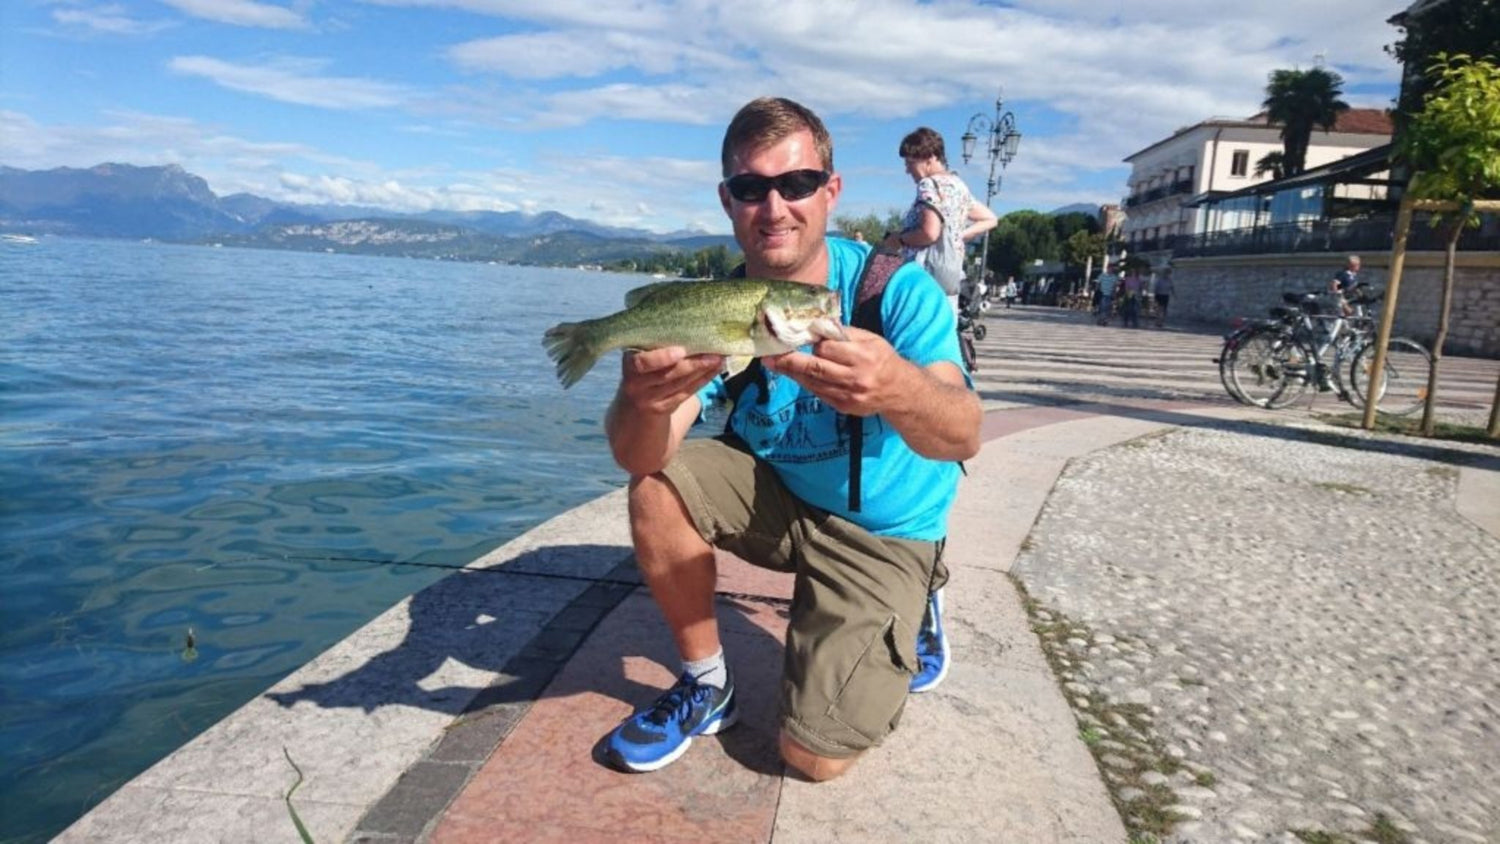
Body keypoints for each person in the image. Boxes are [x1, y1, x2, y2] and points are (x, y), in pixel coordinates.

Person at [601, 97, 982, 781]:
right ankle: (706, 684)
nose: (774, 207)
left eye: (797, 183)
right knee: (658, 481)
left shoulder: (889, 291)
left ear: (830, 191)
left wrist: (895, 386)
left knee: (812, 757)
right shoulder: (723, 305)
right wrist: (640, 401)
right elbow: (639, 456)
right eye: (751, 188)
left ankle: (918, 588)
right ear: (728, 202)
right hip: (784, 501)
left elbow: (963, 432)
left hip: (884, 530)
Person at [881, 127, 998, 319]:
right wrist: (958, 236)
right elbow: (990, 218)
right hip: (949, 278)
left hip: (923, 278)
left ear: (930, 158)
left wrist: (899, 239)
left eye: (911, 162)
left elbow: (929, 233)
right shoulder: (958, 186)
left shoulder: (928, 184)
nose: (907, 169)